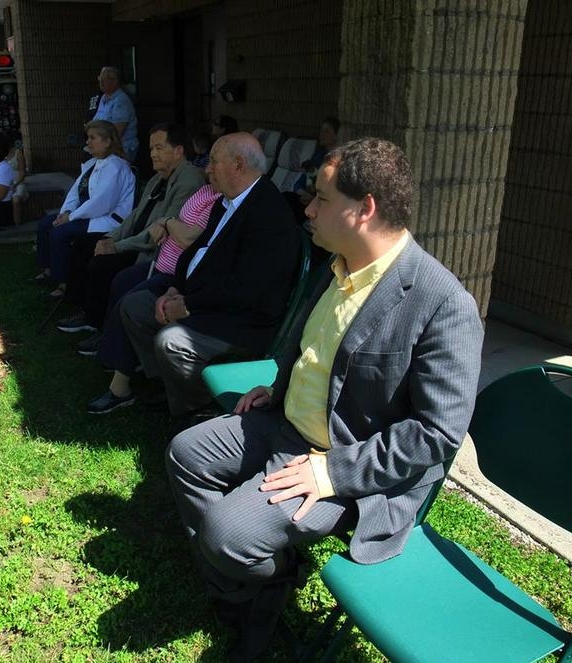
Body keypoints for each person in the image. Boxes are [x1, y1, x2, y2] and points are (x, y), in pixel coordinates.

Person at [165, 137, 484, 662]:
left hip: (342, 458)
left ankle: (262, 585)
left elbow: (436, 434)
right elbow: (316, 346)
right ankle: (256, 581)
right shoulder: (338, 265)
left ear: (364, 210)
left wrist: (333, 473)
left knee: (224, 534)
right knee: (187, 454)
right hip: (287, 421)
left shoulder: (442, 304)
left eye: (321, 198)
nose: (307, 208)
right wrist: (280, 385)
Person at [96, 132, 300, 419]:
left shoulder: (268, 214)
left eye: (214, 162)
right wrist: (174, 289)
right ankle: (173, 387)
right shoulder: (226, 202)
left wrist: (189, 304)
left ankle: (195, 412)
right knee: (135, 307)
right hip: (207, 298)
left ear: (239, 165)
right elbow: (195, 252)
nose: (207, 169)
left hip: (242, 320)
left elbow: (246, 289)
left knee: (172, 341)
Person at [56, 123, 205, 344]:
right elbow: (136, 215)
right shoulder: (158, 178)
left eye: (159, 148)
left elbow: (160, 232)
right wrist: (111, 238)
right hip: (134, 239)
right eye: (151, 148)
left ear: (178, 151)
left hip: (151, 251)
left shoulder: (188, 181)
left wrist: (117, 246)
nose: (152, 153)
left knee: (102, 265)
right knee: (84, 245)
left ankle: (99, 325)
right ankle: (85, 310)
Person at [85, 183, 221, 413]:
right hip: (162, 265)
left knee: (130, 304)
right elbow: (176, 221)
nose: (209, 166)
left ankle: (122, 385)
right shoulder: (203, 189)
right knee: (123, 286)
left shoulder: (220, 201)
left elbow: (189, 238)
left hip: (176, 275)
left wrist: (167, 223)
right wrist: (168, 223)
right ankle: (118, 358)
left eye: (216, 161)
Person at [35, 121, 136, 299]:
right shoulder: (92, 164)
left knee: (60, 234)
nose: (88, 142)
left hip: (106, 219)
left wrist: (71, 217)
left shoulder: (116, 167)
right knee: (45, 224)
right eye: (87, 137)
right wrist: (65, 212)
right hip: (85, 215)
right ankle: (48, 270)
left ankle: (64, 283)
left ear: (107, 141)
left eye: (92, 138)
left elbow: (102, 203)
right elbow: (75, 191)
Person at [92, 67, 139, 162]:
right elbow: (95, 123)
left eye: (104, 80)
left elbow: (116, 132)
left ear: (115, 81)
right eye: (99, 79)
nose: (101, 82)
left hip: (121, 150)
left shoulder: (121, 101)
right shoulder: (104, 98)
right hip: (105, 148)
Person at [7, 132, 28, 224]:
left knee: (16, 200)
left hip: (18, 183)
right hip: (5, 184)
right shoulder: (0, 154)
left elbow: (23, 172)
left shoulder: (18, 153)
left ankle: (17, 225)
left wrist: (15, 184)